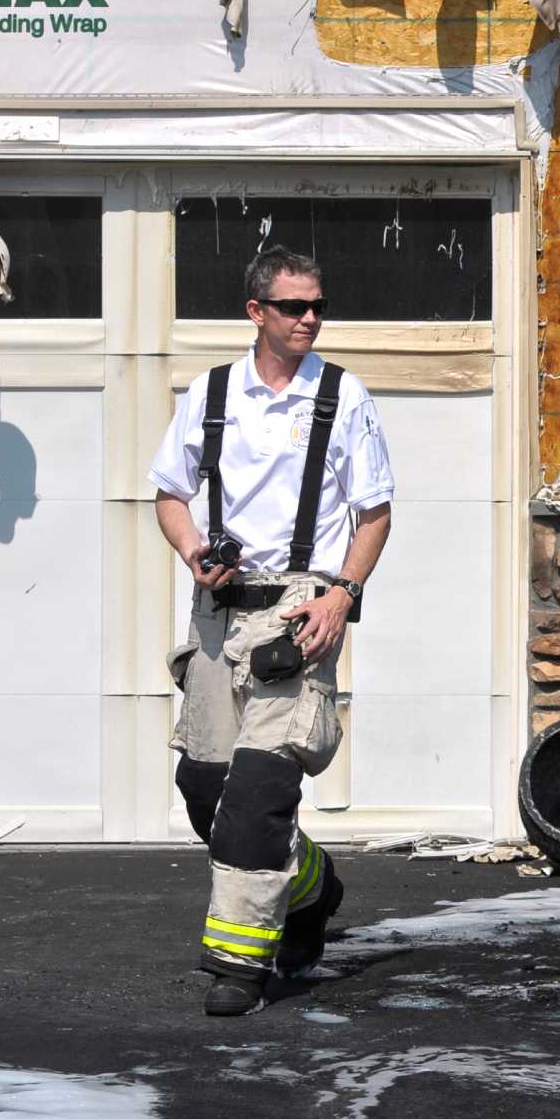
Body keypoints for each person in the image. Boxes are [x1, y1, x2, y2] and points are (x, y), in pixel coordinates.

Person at [149, 246, 394, 1016]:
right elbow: (169, 494)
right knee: (205, 788)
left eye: (318, 305)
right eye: (294, 307)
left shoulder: (343, 397)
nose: (311, 319)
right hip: (221, 615)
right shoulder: (212, 392)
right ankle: (312, 885)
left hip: (300, 611)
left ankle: (240, 967)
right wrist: (194, 551)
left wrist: (341, 597)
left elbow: (375, 513)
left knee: (259, 795)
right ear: (257, 312)